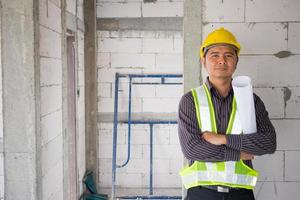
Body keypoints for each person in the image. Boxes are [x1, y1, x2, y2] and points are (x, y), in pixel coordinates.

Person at [178, 27, 276, 200]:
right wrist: (237, 154)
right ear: (203, 61)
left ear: (236, 61)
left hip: (241, 195)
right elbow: (192, 149)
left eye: (228, 55)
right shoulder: (190, 100)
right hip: (201, 193)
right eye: (214, 55)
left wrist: (223, 139)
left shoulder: (251, 100)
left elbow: (268, 143)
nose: (221, 60)